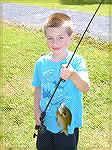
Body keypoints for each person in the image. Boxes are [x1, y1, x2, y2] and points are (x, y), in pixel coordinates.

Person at [32, 13, 90, 150]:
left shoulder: (77, 61)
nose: (55, 43)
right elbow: (38, 88)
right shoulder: (41, 63)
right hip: (45, 122)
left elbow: (85, 87)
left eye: (61, 38)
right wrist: (36, 111)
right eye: (50, 38)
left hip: (67, 124)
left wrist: (74, 75)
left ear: (71, 37)